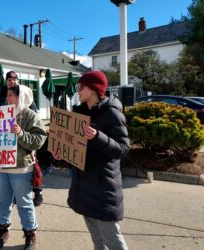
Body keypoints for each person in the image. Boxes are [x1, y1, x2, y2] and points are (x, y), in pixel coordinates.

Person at [67, 71, 130, 250]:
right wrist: (62, 154)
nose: (77, 90)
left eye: (81, 87)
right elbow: (79, 149)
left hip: (103, 189)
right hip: (84, 186)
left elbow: (123, 149)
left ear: (94, 89)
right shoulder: (80, 113)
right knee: (98, 240)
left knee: (113, 240)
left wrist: (97, 137)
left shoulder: (112, 114)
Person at [0, 85, 46, 250]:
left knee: (24, 203)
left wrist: (20, 133)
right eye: (7, 96)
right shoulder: (0, 114)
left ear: (20, 96)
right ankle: (3, 231)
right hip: (0, 166)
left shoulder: (30, 116)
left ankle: (30, 235)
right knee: (3, 202)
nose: (7, 99)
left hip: (21, 168)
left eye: (11, 96)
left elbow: (39, 139)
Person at [0, 71, 44, 207]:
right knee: (4, 201)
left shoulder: (26, 104)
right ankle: (4, 225)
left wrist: (21, 131)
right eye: (9, 79)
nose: (12, 81)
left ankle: (37, 191)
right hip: (2, 160)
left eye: (14, 79)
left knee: (24, 199)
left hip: (22, 161)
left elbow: (37, 133)